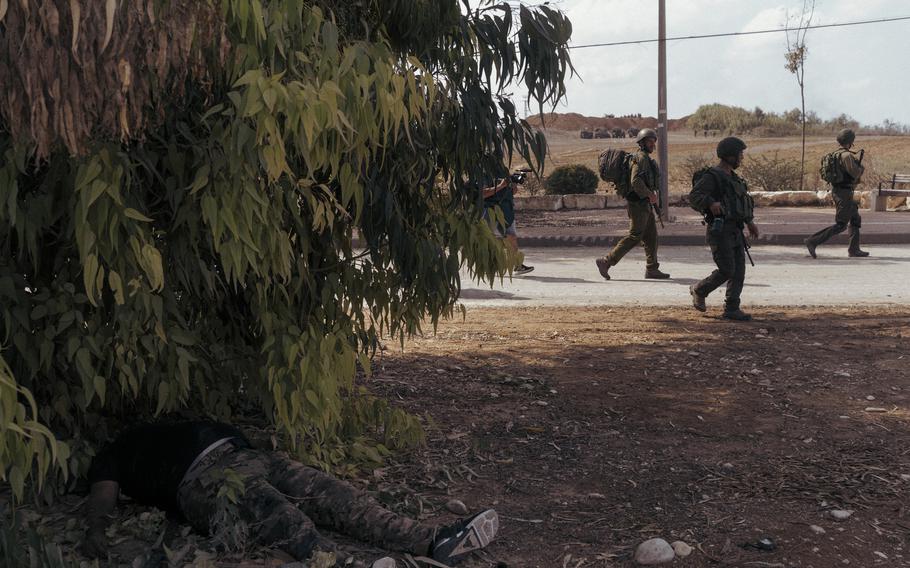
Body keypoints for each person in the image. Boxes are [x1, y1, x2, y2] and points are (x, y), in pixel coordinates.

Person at [83, 421, 499, 568]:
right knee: (278, 514)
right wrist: (96, 529)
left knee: (338, 496)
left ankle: (431, 541)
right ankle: (340, 565)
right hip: (202, 481)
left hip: (249, 455)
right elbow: (104, 492)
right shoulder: (115, 452)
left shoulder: (166, 428)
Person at [688, 137, 759, 321]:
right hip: (719, 230)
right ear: (729, 156)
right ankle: (699, 289)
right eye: (739, 155)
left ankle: (732, 308)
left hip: (736, 230)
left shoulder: (735, 179)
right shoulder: (713, 176)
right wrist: (711, 203)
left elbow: (740, 203)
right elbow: (694, 196)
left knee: (739, 271)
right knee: (727, 269)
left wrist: (750, 222)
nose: (741, 158)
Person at [595, 128, 670, 280]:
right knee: (635, 236)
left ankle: (652, 269)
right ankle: (606, 261)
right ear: (642, 143)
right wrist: (650, 194)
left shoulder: (645, 158)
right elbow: (635, 181)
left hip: (644, 203)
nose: (652, 145)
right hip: (638, 204)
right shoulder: (640, 158)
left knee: (651, 237)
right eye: (649, 141)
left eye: (653, 142)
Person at [804, 129, 869, 258]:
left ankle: (854, 249)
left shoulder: (834, 154)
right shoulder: (847, 156)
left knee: (855, 218)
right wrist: (861, 168)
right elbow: (855, 173)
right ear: (850, 142)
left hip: (840, 191)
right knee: (841, 224)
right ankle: (812, 241)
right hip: (843, 193)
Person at [483, 173, 534, 275]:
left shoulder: (502, 171)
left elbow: (513, 192)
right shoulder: (483, 175)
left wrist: (513, 182)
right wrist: (501, 185)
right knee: (507, 238)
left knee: (511, 238)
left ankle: (516, 265)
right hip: (494, 214)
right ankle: (489, 265)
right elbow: (483, 194)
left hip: (507, 213)